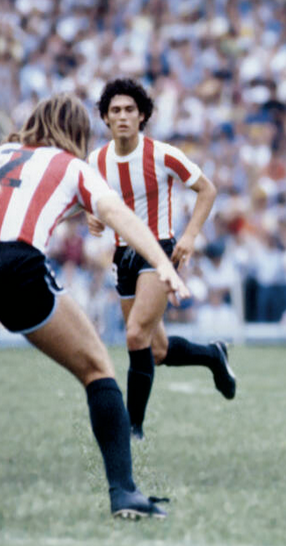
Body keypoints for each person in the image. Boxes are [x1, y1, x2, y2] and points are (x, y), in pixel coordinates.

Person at [0, 94, 189, 518]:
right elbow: (120, 216)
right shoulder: (72, 166)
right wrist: (162, 264)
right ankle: (124, 493)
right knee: (97, 369)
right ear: (77, 133)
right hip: (16, 265)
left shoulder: (4, 153)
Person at [86, 78, 235, 440]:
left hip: (159, 251)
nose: (123, 116)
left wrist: (190, 236)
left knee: (135, 334)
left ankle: (131, 428)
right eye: (116, 110)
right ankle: (213, 355)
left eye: (130, 110)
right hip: (123, 256)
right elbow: (91, 201)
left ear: (142, 116)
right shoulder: (96, 160)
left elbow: (207, 190)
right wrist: (91, 216)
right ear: (105, 118)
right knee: (155, 350)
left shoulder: (162, 154)